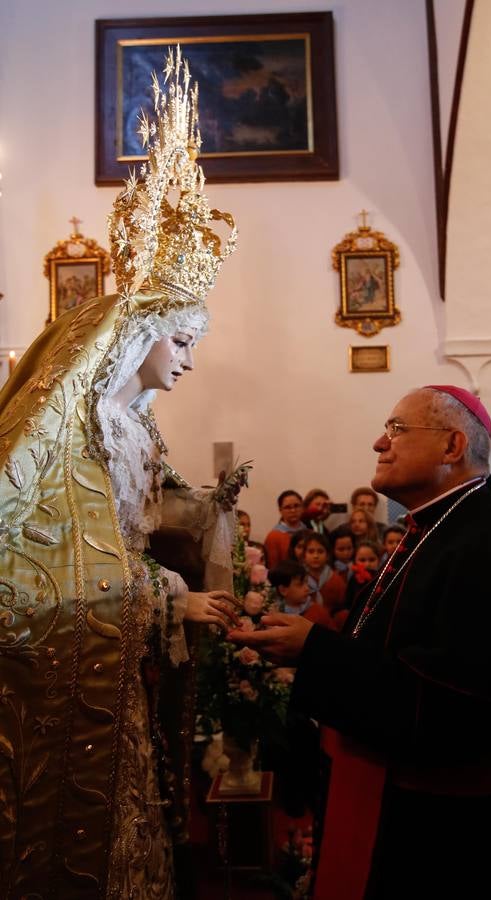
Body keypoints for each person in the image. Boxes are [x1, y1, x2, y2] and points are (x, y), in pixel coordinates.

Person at [0, 47, 240, 899]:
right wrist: (168, 597)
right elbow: (37, 574)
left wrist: (207, 517)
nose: (188, 363)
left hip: (124, 673)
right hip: (74, 676)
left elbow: (151, 523)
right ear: (139, 337)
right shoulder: (71, 430)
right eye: (183, 342)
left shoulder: (139, 427)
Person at [227, 384, 491, 900]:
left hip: (450, 833)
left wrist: (316, 651)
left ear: (452, 447)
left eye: (397, 429)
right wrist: (314, 645)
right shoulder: (431, 529)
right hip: (396, 798)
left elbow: (445, 707)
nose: (379, 442)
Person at [302, 533, 346, 614]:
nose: (315, 556)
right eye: (311, 552)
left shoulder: (336, 580)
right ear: (304, 556)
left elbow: (342, 605)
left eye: (320, 551)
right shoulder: (299, 580)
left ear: (328, 556)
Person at [263, 490, 305, 567]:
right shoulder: (273, 536)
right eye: (288, 507)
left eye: (296, 506)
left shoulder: (309, 532)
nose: (293, 510)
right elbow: (272, 567)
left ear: (302, 507)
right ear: (280, 510)